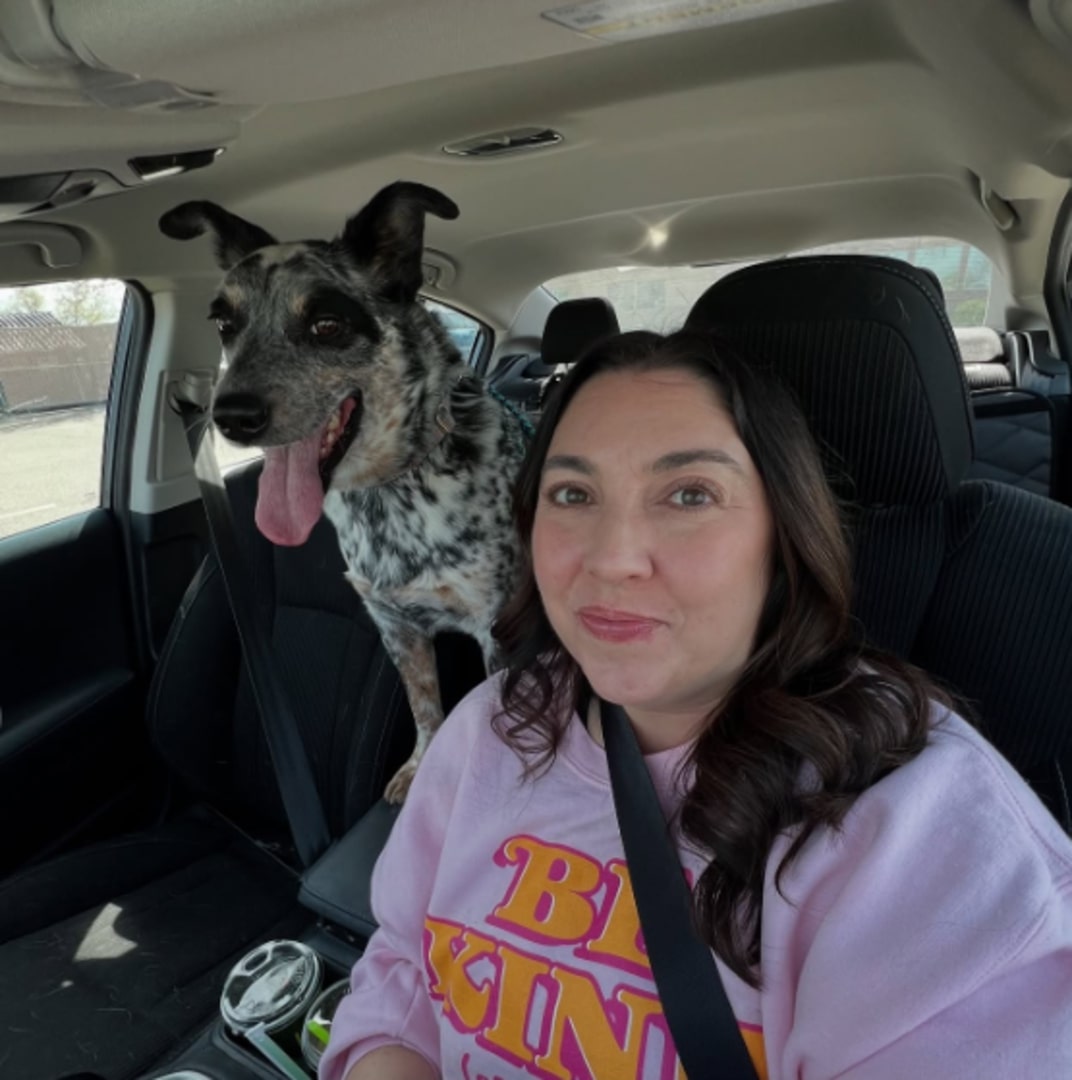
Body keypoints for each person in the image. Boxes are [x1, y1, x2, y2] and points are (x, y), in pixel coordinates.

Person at [320, 329, 1072, 1080]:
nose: (612, 557)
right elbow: (404, 969)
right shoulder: (490, 727)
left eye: (689, 494)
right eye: (573, 494)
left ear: (783, 532)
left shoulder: (924, 831)